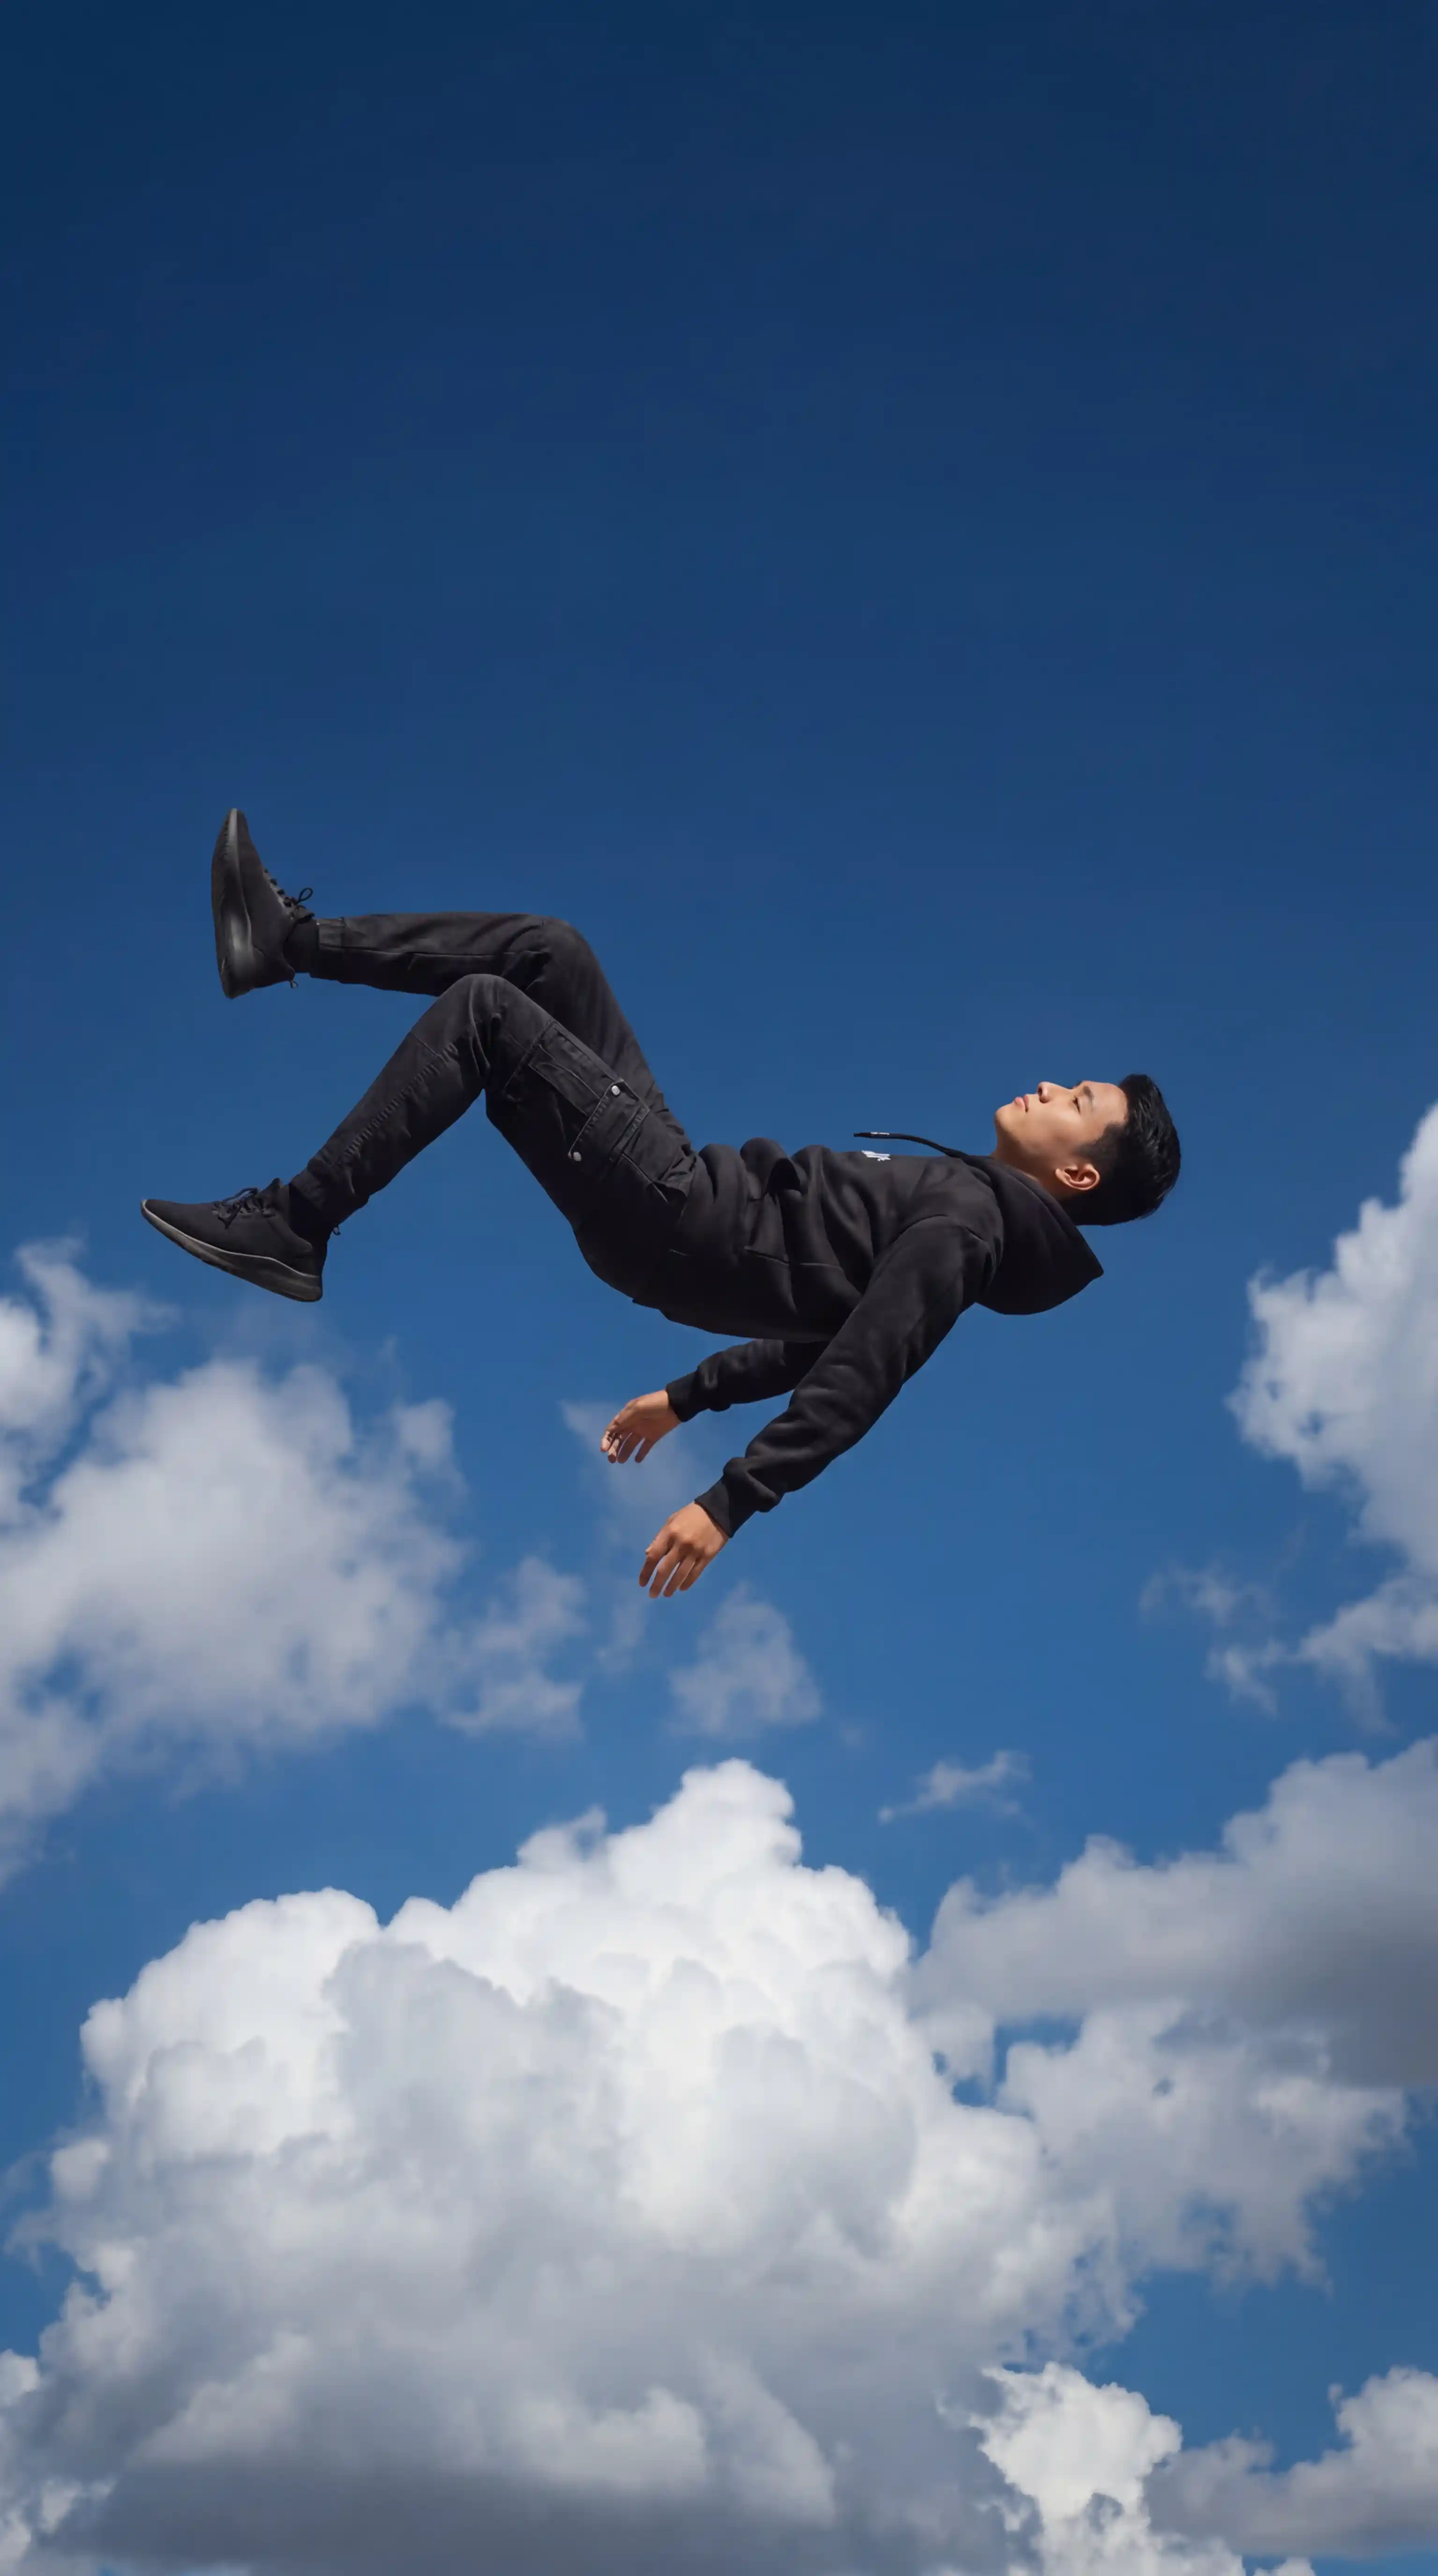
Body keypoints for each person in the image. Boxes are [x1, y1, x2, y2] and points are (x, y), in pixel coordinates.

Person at [143, 812, 1181, 1598]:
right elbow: (827, 1336)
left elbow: (866, 1370)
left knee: (488, 1013)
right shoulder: (967, 1216)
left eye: (1076, 1101)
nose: (1051, 1085)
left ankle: (296, 1223)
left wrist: (731, 1500)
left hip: (674, 1212)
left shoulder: (968, 1223)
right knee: (553, 954)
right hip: (681, 1182)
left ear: (1079, 1174)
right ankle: (285, 945)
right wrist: (686, 1397)